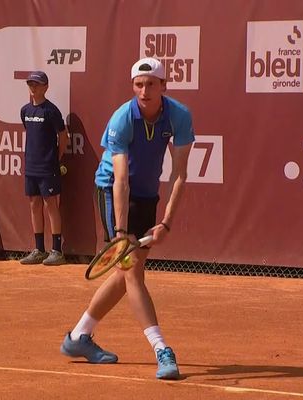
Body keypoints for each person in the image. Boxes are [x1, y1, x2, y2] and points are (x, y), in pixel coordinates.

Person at [60, 57, 195, 380]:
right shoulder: (122, 119)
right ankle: (162, 349)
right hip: (112, 190)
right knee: (133, 272)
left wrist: (166, 224)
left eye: (151, 84)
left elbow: (179, 176)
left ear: (164, 86)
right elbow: (120, 179)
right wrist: (120, 232)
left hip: (147, 195)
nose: (144, 90)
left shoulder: (179, 116)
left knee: (125, 275)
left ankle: (79, 336)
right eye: (138, 84)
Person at [18, 71, 70, 266]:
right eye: (31, 84)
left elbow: (63, 137)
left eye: (37, 84)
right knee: (34, 204)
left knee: (51, 205)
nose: (33, 87)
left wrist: (56, 158)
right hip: (31, 166)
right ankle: (39, 249)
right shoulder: (25, 111)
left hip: (48, 167)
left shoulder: (51, 111)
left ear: (46, 87)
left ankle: (57, 250)